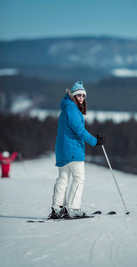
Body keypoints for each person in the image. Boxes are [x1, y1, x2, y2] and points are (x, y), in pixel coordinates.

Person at [49, 80, 106, 219]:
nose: (81, 98)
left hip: (63, 152)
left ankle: (58, 209)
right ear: (73, 96)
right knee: (78, 178)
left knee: (63, 179)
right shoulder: (72, 110)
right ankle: (73, 209)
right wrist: (95, 141)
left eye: (83, 95)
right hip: (73, 151)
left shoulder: (66, 109)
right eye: (78, 95)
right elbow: (79, 131)